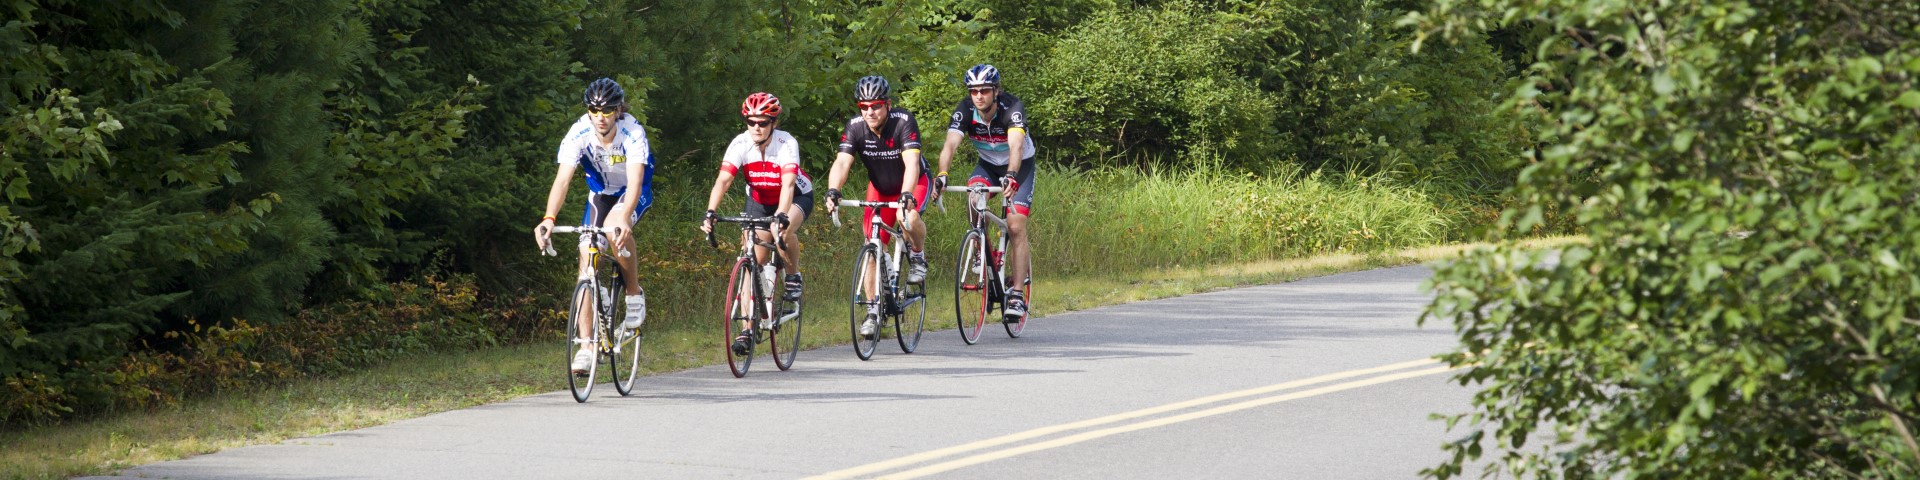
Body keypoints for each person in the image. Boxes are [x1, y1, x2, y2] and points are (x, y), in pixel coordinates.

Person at [535, 77, 655, 375]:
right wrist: (549, 218)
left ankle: (632, 293)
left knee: (615, 228)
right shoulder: (579, 132)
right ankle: (586, 347)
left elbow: (637, 181)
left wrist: (625, 217)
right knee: (585, 260)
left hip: (631, 192)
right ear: (588, 110)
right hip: (600, 195)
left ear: (619, 110)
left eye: (608, 110)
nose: (601, 117)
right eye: (594, 110)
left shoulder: (633, 132)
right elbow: (562, 180)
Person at [700, 92, 816, 356]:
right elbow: (723, 181)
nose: (756, 127)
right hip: (759, 199)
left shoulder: (786, 143)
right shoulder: (741, 143)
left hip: (796, 196)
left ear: (773, 123)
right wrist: (710, 212)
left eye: (762, 123)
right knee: (751, 258)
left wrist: (781, 215)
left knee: (783, 230)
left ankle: (793, 277)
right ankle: (747, 328)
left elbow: (788, 184)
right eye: (751, 122)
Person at [824, 75, 931, 338]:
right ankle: (873, 311)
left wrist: (907, 194)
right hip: (880, 187)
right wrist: (833, 190)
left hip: (913, 181)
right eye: (864, 106)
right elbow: (841, 163)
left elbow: (912, 164)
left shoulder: (903, 122)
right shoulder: (855, 127)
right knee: (872, 245)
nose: (870, 111)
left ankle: (917, 254)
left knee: (908, 217)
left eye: (876, 105)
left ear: (888, 104)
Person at [934, 64, 1036, 321]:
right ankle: (980, 247)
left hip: (1019, 167)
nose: (978, 96)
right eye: (973, 91)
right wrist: (943, 174)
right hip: (988, 166)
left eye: (984, 91)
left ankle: (1015, 294)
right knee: (973, 197)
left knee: (1015, 226)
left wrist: (1011, 176)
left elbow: (1016, 146)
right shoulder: (965, 110)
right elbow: (950, 145)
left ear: (996, 91)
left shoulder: (1012, 108)